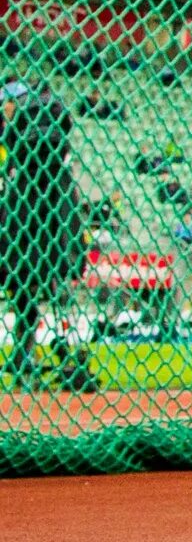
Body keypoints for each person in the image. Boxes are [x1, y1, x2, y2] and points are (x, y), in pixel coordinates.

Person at [1, 78, 85, 388]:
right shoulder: (44, 131)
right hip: (39, 215)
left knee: (26, 288)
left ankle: (28, 353)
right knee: (27, 290)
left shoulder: (26, 129)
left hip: (28, 214)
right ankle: (27, 352)